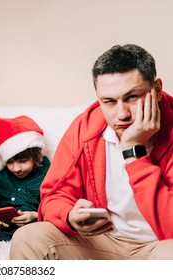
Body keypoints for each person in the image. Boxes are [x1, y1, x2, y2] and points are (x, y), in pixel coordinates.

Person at [10, 44, 173, 260]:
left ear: (157, 89)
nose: (122, 114)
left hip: (161, 245)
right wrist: (70, 216)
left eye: (132, 97)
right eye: (109, 102)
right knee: (28, 238)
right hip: (104, 241)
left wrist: (134, 152)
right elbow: (53, 196)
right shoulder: (85, 129)